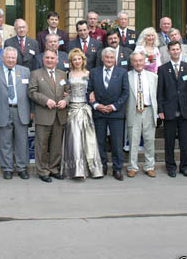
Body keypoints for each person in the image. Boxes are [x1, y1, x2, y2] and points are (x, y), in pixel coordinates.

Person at [0, 47, 33, 180]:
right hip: (2, 111)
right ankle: (7, 168)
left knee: (22, 142)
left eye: (13, 57)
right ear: (3, 58)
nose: (11, 60)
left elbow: (31, 93)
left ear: (16, 58)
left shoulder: (25, 71)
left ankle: (22, 168)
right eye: (8, 57)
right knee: (4, 142)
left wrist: (32, 111)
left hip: (21, 111)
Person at [29, 49, 70, 182]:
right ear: (43, 59)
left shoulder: (62, 74)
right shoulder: (35, 74)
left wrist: (66, 101)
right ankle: (42, 171)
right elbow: (32, 92)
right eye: (47, 58)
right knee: (42, 145)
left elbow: (68, 92)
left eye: (52, 58)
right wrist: (46, 101)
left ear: (57, 60)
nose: (49, 60)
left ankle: (54, 169)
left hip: (59, 116)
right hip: (43, 115)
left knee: (56, 145)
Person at [157, 41, 187, 177]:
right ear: (168, 51)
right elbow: (160, 92)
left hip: (185, 111)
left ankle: (185, 167)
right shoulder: (163, 69)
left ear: (181, 50)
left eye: (177, 49)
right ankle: (171, 167)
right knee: (169, 142)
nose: (175, 52)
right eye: (172, 49)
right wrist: (160, 110)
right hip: (169, 111)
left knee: (185, 142)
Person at [88, 47, 129, 180]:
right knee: (100, 142)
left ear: (115, 59)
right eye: (107, 57)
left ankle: (117, 169)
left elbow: (125, 93)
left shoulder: (122, 73)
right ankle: (102, 167)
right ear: (102, 58)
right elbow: (88, 91)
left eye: (112, 57)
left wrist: (113, 106)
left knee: (117, 143)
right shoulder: (94, 72)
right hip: (99, 113)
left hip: (116, 113)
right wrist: (96, 105)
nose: (109, 60)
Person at [62, 49, 104, 179]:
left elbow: (94, 88)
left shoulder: (88, 73)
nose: (77, 61)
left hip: (85, 108)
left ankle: (93, 169)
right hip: (72, 108)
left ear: (83, 60)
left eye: (79, 59)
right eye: (74, 59)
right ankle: (76, 170)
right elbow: (65, 89)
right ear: (71, 61)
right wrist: (65, 94)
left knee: (89, 139)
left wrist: (93, 93)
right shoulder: (67, 74)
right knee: (74, 139)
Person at [126, 52, 158, 178]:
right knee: (133, 140)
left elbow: (157, 94)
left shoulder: (153, 76)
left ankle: (149, 166)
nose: (138, 63)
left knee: (149, 140)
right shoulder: (126, 76)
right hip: (133, 111)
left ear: (144, 61)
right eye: (135, 61)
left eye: (140, 60)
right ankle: (132, 167)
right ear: (132, 62)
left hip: (148, 110)